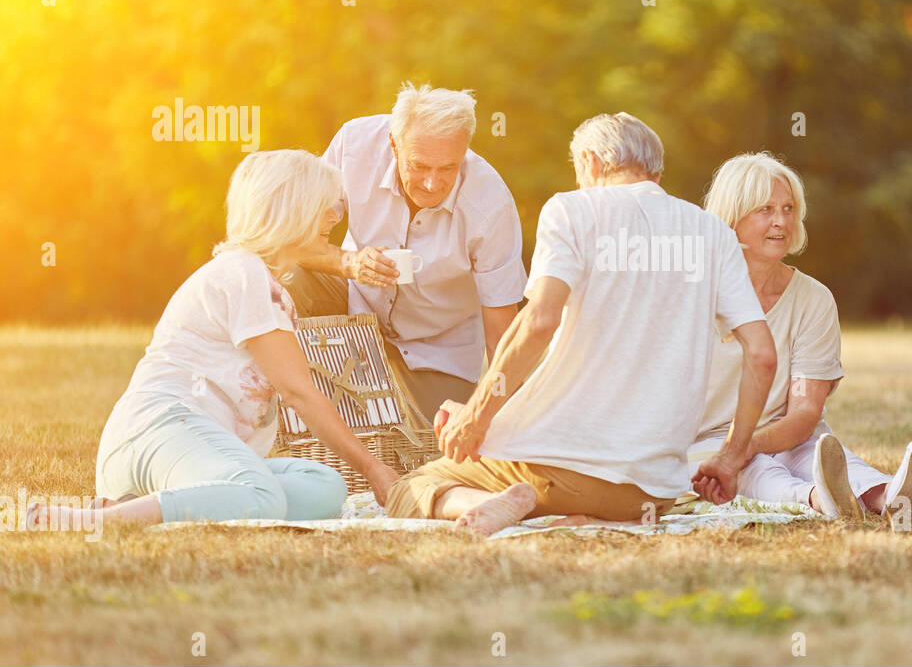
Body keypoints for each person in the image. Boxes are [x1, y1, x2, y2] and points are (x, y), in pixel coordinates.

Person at [384, 113, 779, 536]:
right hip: (649, 493)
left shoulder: (571, 210)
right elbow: (762, 354)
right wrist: (732, 455)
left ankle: (501, 503)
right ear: (655, 170)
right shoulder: (712, 232)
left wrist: (477, 417)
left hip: (552, 472)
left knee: (410, 487)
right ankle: (571, 520)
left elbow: (539, 322)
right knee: (580, 494)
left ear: (589, 161)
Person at [27, 150, 401, 530]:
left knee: (325, 487)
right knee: (262, 496)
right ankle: (101, 520)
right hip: (160, 430)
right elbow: (298, 392)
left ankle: (146, 505)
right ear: (293, 209)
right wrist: (373, 468)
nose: (335, 217)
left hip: (182, 451)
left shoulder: (260, 279)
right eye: (326, 206)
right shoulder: (245, 273)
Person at [687, 152, 912, 519]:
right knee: (758, 471)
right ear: (732, 217)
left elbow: (805, 410)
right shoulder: (692, 292)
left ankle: (889, 494)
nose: (781, 221)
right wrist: (734, 451)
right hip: (709, 441)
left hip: (788, 435)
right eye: (765, 209)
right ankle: (816, 498)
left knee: (818, 455)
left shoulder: (814, 299)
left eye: (788, 208)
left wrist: (747, 444)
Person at [287, 83, 527, 420]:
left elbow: (503, 332)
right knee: (284, 276)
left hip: (439, 346)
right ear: (393, 144)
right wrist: (349, 263)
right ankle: (282, 404)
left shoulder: (491, 205)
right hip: (353, 302)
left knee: (430, 448)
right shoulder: (354, 145)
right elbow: (290, 236)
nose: (432, 184)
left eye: (448, 168)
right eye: (419, 166)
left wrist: (503, 420)